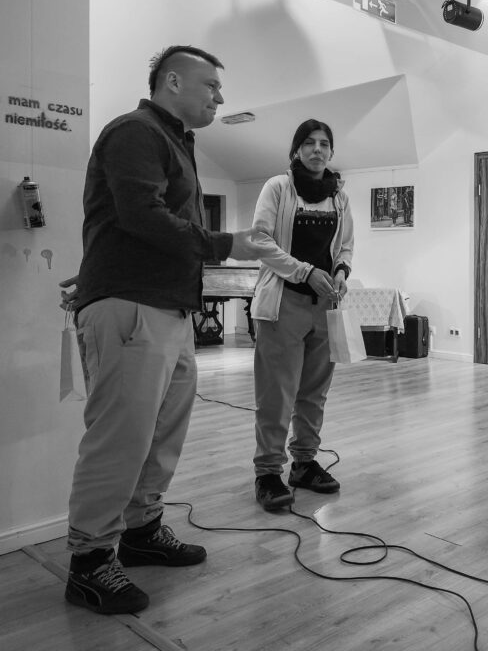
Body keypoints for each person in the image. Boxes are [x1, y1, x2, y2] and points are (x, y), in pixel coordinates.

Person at [60, 45, 272, 615]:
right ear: (173, 82)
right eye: (211, 86)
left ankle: (141, 529)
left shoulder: (174, 140)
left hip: (165, 308)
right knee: (121, 436)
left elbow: (126, 224)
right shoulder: (136, 131)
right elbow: (141, 216)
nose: (220, 97)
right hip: (133, 307)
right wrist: (225, 244)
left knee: (161, 431)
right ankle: (89, 561)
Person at [250, 119, 354, 511]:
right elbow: (261, 241)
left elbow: (345, 246)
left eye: (324, 144)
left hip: (324, 306)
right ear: (296, 150)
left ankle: (304, 463)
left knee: (314, 392)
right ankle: (268, 472)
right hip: (282, 304)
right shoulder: (278, 187)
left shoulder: (340, 197)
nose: (317, 150)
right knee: (276, 393)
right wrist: (305, 272)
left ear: (331, 151)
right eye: (309, 143)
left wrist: (341, 272)